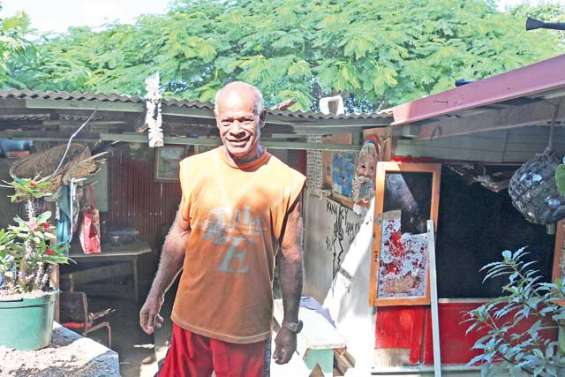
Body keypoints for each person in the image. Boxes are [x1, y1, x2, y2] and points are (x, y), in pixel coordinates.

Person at [139, 81, 306, 377]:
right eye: (227, 121)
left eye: (245, 119)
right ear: (217, 121)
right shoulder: (196, 169)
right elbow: (179, 235)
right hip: (191, 318)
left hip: (245, 327)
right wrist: (156, 294)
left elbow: (291, 256)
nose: (236, 129)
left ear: (262, 119)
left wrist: (290, 326)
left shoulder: (286, 181)